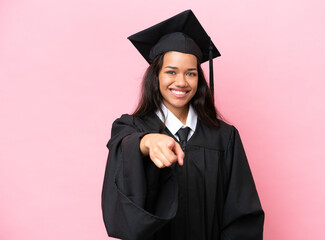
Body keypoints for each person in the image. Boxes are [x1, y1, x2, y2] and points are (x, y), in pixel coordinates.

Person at [102, 9, 264, 240]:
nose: (181, 82)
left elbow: (242, 213)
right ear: (155, 76)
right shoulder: (133, 128)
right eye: (171, 72)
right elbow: (123, 142)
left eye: (191, 73)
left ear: (199, 79)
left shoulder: (224, 137)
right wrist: (147, 142)